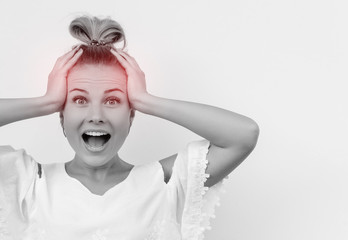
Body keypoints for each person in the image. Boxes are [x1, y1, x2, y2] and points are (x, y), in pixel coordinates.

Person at [0, 15, 259, 240]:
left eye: (113, 100)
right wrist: (45, 102)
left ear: (131, 115)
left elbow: (243, 135)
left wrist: (147, 100)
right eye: (79, 100)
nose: (96, 116)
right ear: (62, 115)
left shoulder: (163, 183)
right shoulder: (27, 183)